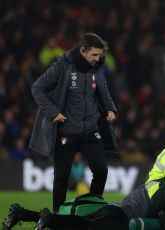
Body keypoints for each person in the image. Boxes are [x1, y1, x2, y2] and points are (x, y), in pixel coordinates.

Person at [29, 33, 118, 212]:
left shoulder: (98, 66)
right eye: (94, 54)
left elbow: (102, 88)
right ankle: (57, 217)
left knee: (101, 170)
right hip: (67, 130)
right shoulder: (62, 67)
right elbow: (37, 88)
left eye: (99, 55)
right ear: (82, 50)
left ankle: (93, 210)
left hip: (91, 129)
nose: (97, 58)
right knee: (61, 177)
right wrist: (53, 112)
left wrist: (110, 109)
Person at [2, 184, 155, 230]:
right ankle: (50, 218)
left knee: (76, 222)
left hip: (111, 208)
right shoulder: (159, 200)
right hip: (119, 217)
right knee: (86, 226)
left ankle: (22, 213)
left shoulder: (146, 188)